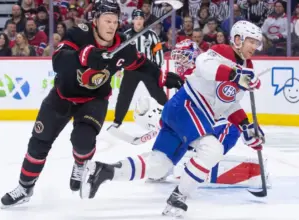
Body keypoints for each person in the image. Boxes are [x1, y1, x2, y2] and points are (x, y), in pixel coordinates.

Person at [0, 0, 180, 208]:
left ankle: (80, 164)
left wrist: (163, 77)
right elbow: (58, 60)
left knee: (83, 140)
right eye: (107, 21)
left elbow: (142, 65)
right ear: (95, 21)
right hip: (62, 96)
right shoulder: (80, 34)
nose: (112, 26)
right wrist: (86, 55)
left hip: (94, 100)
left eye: (115, 21)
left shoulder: (122, 46)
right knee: (38, 143)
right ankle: (25, 187)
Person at [82, 20, 265, 217]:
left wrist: (245, 126)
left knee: (158, 167)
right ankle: (178, 199)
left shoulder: (246, 67)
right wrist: (235, 74)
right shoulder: (223, 52)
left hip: (185, 113)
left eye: (257, 43)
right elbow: (204, 66)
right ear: (237, 39)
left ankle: (102, 171)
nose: (254, 47)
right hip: (187, 105)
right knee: (213, 148)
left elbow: (229, 104)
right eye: (251, 42)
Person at [109, 9, 167, 131]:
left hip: (148, 69)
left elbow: (158, 52)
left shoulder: (151, 34)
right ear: (133, 20)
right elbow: (120, 52)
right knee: (124, 95)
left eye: (141, 19)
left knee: (158, 94)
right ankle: (117, 121)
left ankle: (169, 117)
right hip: (131, 69)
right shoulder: (127, 35)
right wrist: (118, 68)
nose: (139, 21)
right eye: (137, 19)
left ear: (143, 20)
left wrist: (157, 68)